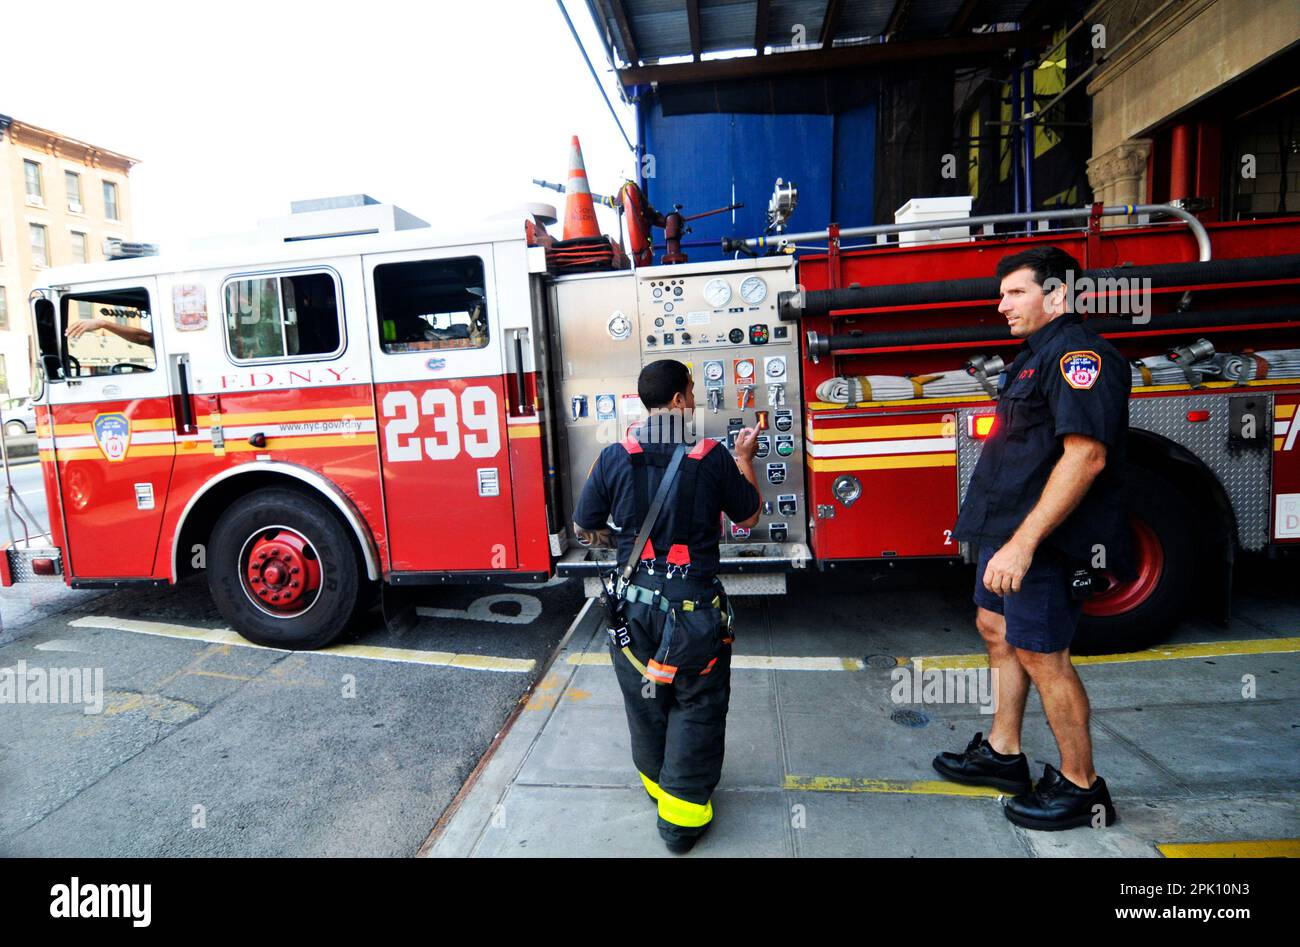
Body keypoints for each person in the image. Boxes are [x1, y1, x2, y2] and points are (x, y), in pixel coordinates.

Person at [935, 246, 1131, 830]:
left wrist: (1023, 544)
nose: (1002, 306)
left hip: (1043, 542)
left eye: (1015, 293)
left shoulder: (1079, 355)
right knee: (996, 630)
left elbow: (1086, 456)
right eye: (1002, 295)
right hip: (1009, 532)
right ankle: (1003, 753)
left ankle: (1082, 787)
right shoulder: (1035, 356)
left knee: (1046, 656)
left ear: (1058, 294)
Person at [573, 359, 760, 853]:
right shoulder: (712, 456)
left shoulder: (615, 455)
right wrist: (745, 459)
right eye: (691, 391)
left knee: (646, 698)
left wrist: (628, 539)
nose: (694, 399)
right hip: (693, 609)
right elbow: (749, 515)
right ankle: (681, 819)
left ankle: (658, 787)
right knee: (697, 702)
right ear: (678, 399)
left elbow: (584, 524)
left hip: (631, 609)